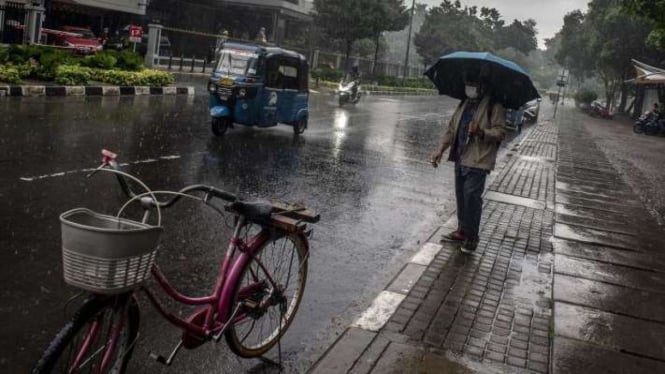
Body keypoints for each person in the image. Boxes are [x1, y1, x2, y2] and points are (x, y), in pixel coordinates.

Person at [430, 75, 506, 253]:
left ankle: (472, 237)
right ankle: (462, 231)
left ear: (482, 86)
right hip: (460, 156)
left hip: (478, 159)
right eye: (467, 84)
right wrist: (440, 149)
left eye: (472, 84)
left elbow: (501, 132)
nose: (468, 87)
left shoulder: (494, 106)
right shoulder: (464, 103)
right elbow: (451, 129)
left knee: (472, 198)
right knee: (462, 197)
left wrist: (481, 132)